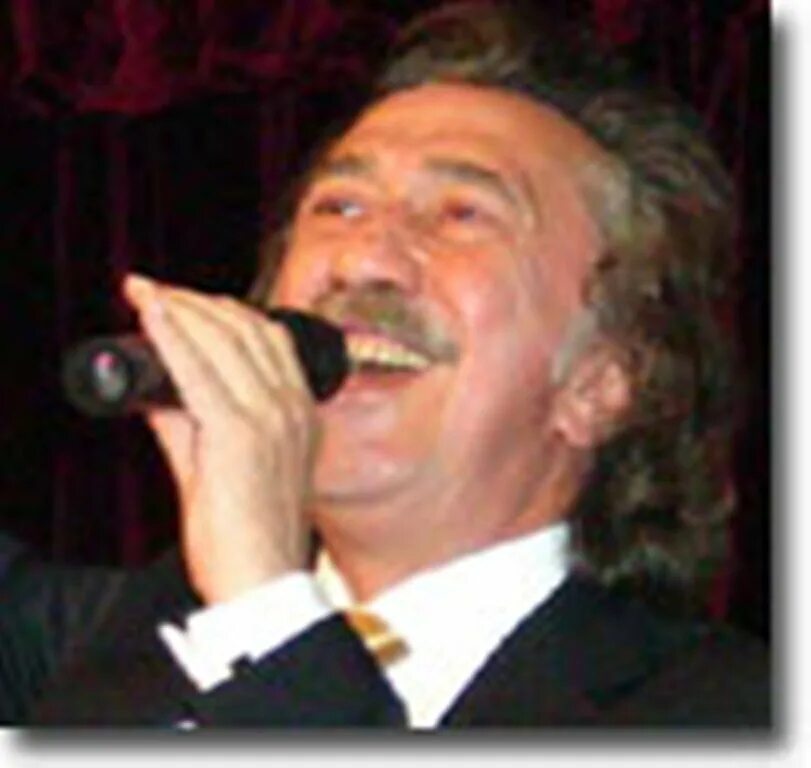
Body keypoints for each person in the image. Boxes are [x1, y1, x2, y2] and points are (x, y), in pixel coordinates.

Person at [0, 1, 767, 727]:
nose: (362, 259)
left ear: (600, 382)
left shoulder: (733, 714)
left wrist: (265, 615)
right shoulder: (110, 639)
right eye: (338, 206)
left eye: (461, 214)